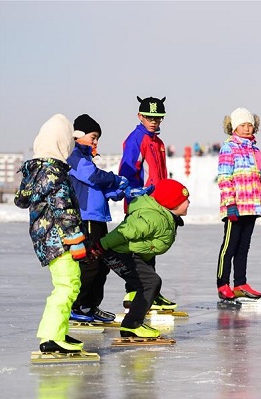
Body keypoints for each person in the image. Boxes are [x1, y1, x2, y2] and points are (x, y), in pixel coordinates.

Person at [15, 114, 89, 353]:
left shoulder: (37, 171)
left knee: (65, 284)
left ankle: (55, 332)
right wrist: (76, 240)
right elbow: (63, 208)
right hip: (59, 237)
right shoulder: (53, 172)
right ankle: (52, 336)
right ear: (61, 143)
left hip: (47, 238)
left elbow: (22, 199)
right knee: (68, 285)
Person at [67, 114, 151, 323]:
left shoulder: (87, 158)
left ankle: (91, 305)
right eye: (93, 137)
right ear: (78, 135)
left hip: (98, 217)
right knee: (90, 264)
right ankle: (77, 306)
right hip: (85, 218)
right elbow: (93, 177)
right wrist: (117, 179)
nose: (95, 142)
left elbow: (101, 189)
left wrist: (124, 192)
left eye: (97, 139)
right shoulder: (74, 156)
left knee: (103, 264)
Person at [89, 178, 190, 338]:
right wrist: (101, 246)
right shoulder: (153, 218)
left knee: (149, 281)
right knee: (151, 282)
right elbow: (125, 231)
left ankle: (133, 316)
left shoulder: (165, 217)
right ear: (173, 204)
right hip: (117, 253)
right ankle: (132, 325)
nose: (189, 202)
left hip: (128, 253)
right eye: (185, 200)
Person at [118, 96, 176, 311]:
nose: (154, 121)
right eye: (150, 117)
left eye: (158, 118)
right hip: (141, 204)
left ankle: (151, 293)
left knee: (150, 249)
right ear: (140, 116)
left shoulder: (157, 142)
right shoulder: (136, 139)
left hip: (157, 204)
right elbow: (127, 171)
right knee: (137, 249)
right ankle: (134, 291)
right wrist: (134, 197)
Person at [216, 107, 261, 301]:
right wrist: (230, 204)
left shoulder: (256, 151)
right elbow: (224, 178)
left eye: (250, 125)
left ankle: (240, 283)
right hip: (235, 207)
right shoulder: (229, 148)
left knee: (243, 247)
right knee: (229, 247)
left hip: (252, 206)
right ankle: (223, 284)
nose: (247, 129)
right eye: (243, 125)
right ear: (233, 127)